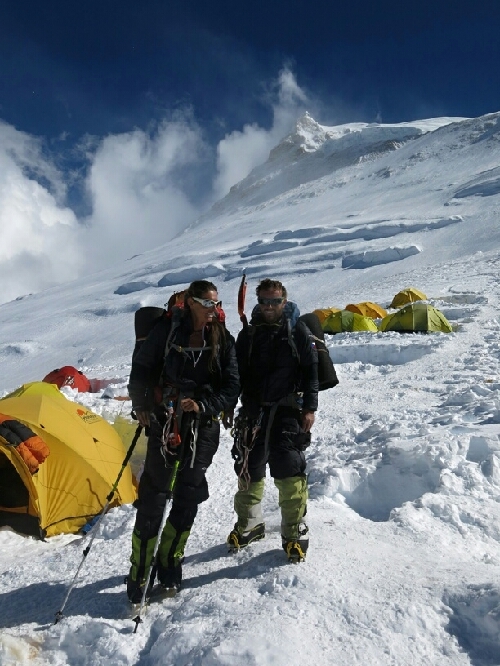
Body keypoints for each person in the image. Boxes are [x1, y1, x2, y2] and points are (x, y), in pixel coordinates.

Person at [127, 280, 239, 602]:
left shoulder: (221, 338)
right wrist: (143, 404)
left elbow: (232, 384)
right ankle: (139, 573)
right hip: (166, 421)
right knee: (153, 497)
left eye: (215, 304)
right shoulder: (167, 331)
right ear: (190, 302)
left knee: (188, 494)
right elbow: (142, 369)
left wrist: (205, 405)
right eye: (206, 303)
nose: (212, 310)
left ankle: (169, 564)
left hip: (202, 427)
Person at [226, 278, 319, 562]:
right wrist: (230, 405)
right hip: (253, 410)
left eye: (275, 301)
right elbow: (235, 375)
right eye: (264, 301)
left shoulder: (297, 331)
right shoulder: (249, 335)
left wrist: (310, 408)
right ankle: (250, 523)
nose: (269, 306)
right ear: (257, 302)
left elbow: (311, 371)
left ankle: (294, 528)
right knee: (248, 466)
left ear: (284, 301)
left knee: (287, 464)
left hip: (288, 408)